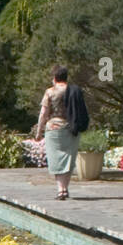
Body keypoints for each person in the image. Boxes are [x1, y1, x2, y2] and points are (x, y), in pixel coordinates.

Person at [34, 65, 86, 199]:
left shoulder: (50, 92)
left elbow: (43, 113)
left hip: (53, 128)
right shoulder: (74, 90)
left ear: (55, 78)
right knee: (68, 159)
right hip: (71, 127)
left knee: (56, 160)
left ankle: (60, 189)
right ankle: (65, 189)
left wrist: (39, 131)